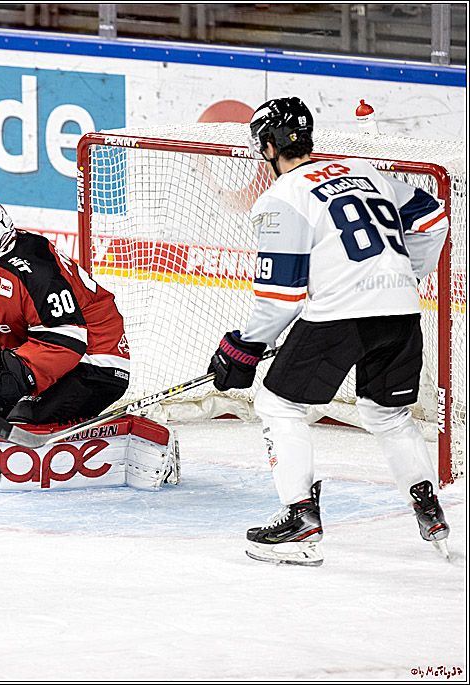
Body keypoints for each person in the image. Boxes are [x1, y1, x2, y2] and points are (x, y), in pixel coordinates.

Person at [207, 97, 451, 567]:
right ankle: (429, 510)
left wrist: (244, 347)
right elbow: (432, 216)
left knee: (277, 403)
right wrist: (404, 277)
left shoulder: (282, 198)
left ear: (267, 145)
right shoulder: (364, 172)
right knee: (388, 415)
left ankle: (300, 519)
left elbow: (281, 298)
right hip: (401, 312)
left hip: (341, 316)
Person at [0, 191, 131, 425]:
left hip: (96, 360)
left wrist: (11, 378)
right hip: (51, 357)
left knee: (23, 419)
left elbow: (67, 341)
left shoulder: (36, 271)